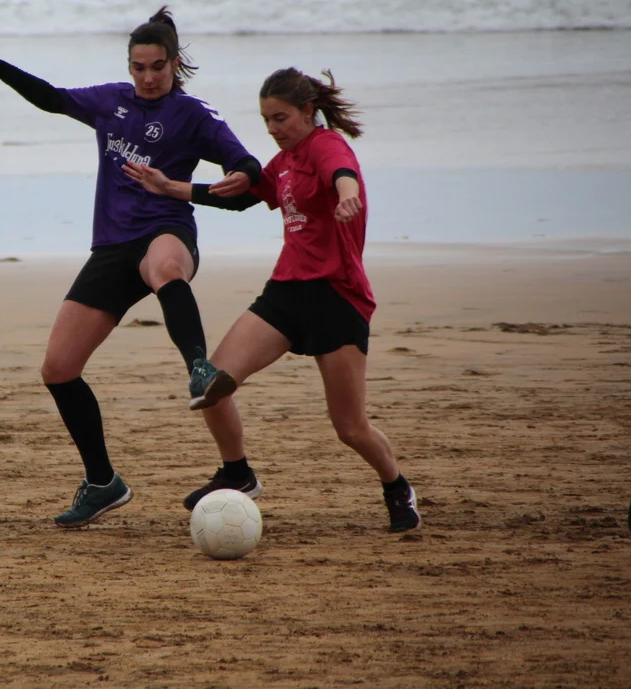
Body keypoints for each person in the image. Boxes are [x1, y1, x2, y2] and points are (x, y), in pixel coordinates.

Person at [0, 7, 261, 528]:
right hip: (112, 247)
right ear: (128, 66)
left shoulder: (194, 114)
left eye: (158, 67)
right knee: (58, 369)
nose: (148, 77)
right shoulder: (110, 101)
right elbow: (52, 98)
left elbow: (247, 172)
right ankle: (103, 482)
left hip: (166, 230)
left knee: (166, 269)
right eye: (139, 67)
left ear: (174, 64)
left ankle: (199, 368)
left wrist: (219, 182)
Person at [124, 67, 422, 532]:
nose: (273, 129)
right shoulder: (282, 162)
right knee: (211, 383)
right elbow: (237, 196)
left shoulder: (326, 145)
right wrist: (170, 188)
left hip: (336, 297)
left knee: (350, 427)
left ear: (307, 111)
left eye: (280, 118)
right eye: (266, 120)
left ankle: (396, 486)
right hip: (285, 292)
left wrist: (349, 196)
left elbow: (343, 174)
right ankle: (237, 473)